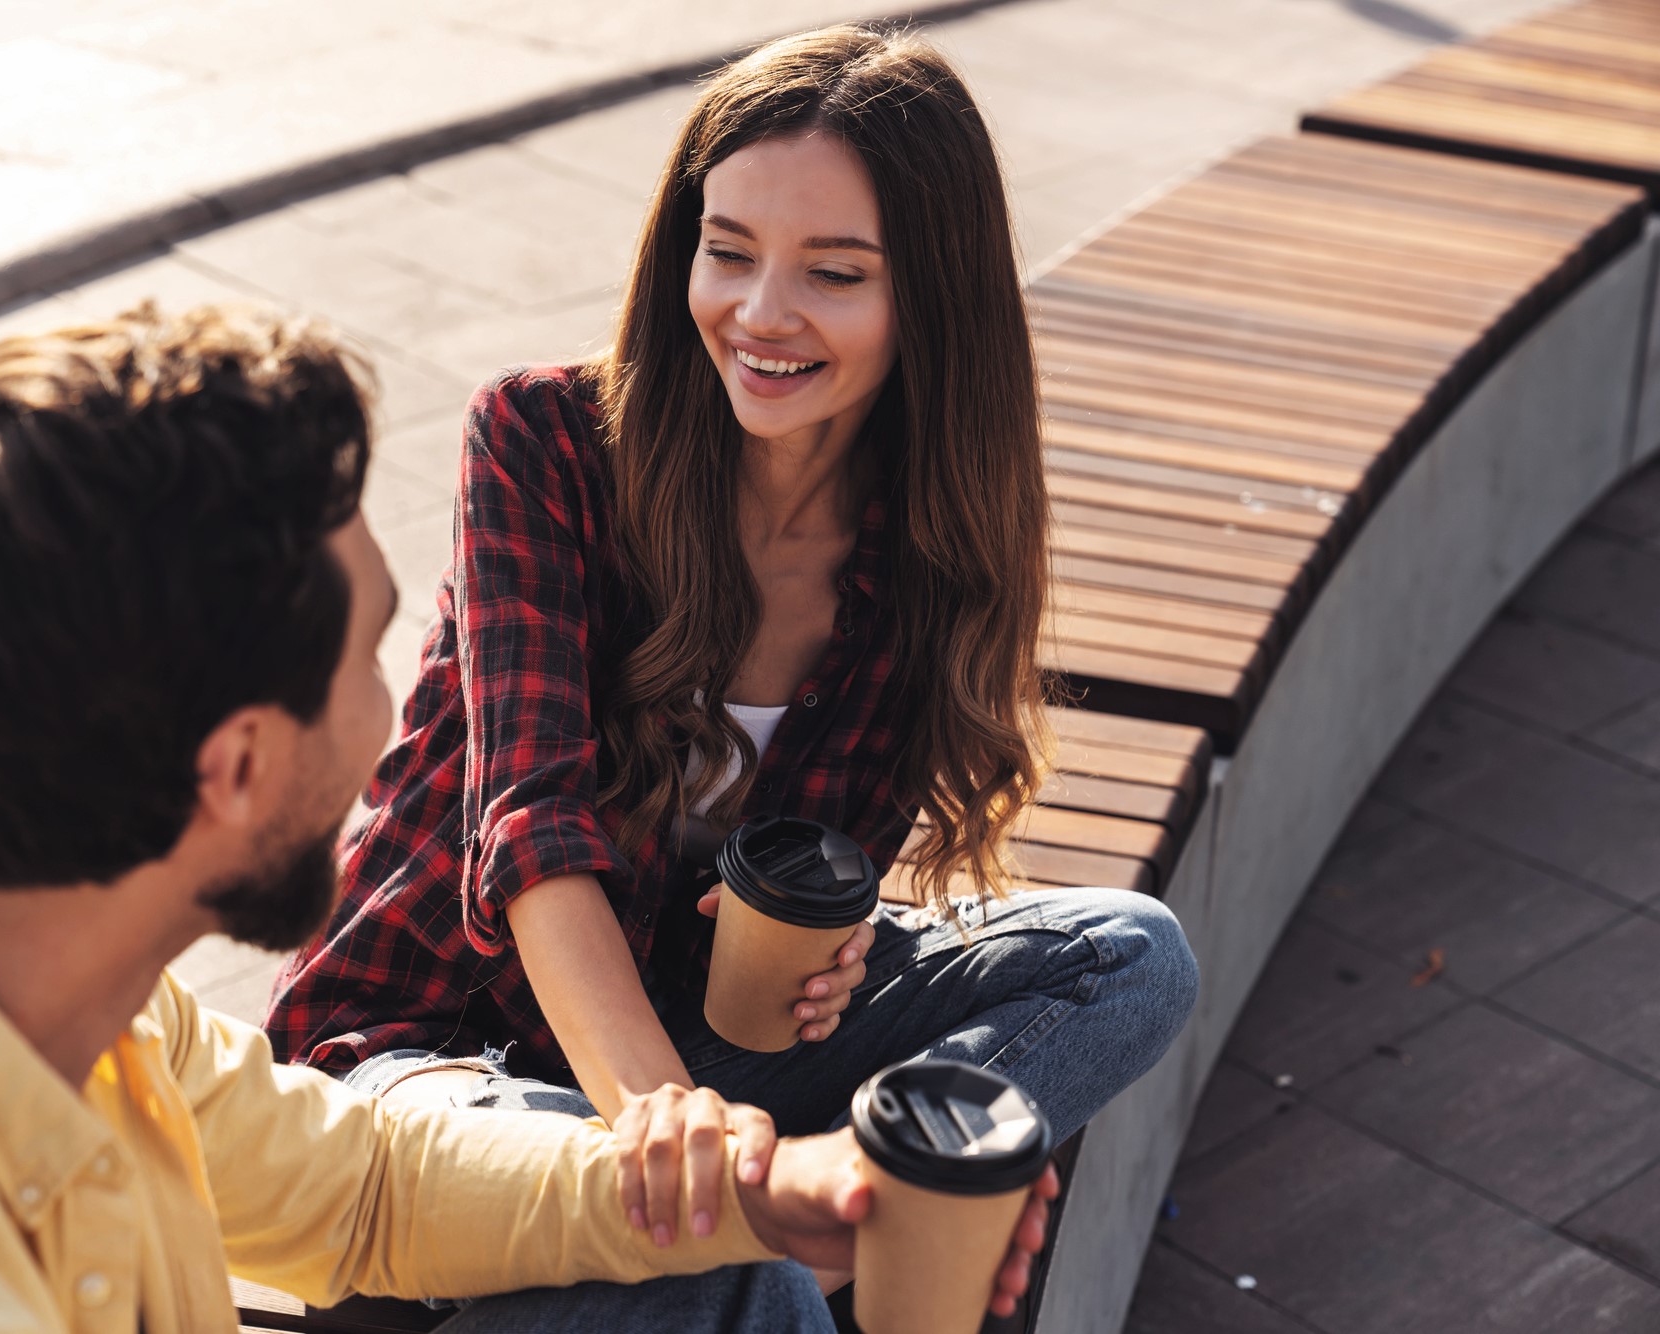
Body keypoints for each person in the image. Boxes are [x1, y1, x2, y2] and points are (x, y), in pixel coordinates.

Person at [0, 306, 1055, 1333]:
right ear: (241, 766)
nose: (397, 716)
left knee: (736, 1279)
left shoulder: (15, 968)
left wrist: (768, 1186)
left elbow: (366, 1181)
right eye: (371, 655)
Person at [269, 20, 1199, 1304]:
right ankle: (785, 1245)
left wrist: (812, 957)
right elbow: (532, 836)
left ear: (928, 295)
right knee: (744, 1266)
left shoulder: (922, 549)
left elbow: (798, 889)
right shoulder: (544, 442)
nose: (759, 315)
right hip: (437, 1055)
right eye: (728, 251)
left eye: (833, 272)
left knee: (1131, 955)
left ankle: (803, 1219)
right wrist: (679, 1136)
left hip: (689, 1044)